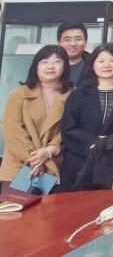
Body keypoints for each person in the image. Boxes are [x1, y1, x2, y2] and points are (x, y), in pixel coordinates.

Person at [60, 43, 113, 190]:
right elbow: (68, 127)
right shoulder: (78, 93)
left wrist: (110, 143)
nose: (107, 65)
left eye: (112, 60)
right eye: (101, 61)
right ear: (92, 65)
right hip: (79, 160)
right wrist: (95, 142)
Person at [0, 46, 72, 185]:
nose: (50, 66)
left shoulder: (73, 96)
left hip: (54, 165)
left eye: (57, 61)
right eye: (44, 62)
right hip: (19, 166)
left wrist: (50, 150)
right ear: (36, 67)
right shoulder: (19, 94)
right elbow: (13, 131)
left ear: (65, 67)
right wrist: (35, 160)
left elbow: (70, 130)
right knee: (17, 200)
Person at [57, 22, 90, 86]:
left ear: (85, 42)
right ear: (59, 43)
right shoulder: (48, 65)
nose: (73, 44)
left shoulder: (95, 65)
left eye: (78, 39)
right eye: (67, 40)